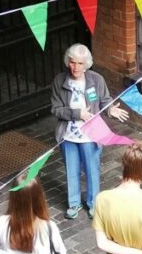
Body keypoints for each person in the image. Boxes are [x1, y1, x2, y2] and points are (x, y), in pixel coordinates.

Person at [50, 44, 128, 220]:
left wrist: (110, 111)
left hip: (91, 134)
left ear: (86, 64)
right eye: (72, 62)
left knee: (92, 169)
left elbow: (105, 101)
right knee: (71, 170)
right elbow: (55, 109)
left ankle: (93, 204)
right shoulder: (59, 81)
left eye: (80, 63)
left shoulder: (97, 80)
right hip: (68, 135)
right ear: (67, 62)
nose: (75, 67)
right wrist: (78, 114)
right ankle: (74, 203)